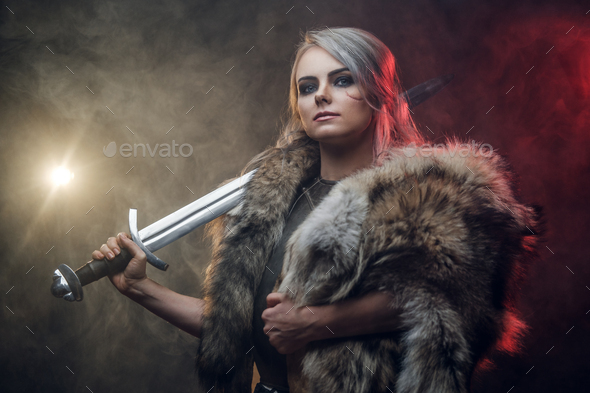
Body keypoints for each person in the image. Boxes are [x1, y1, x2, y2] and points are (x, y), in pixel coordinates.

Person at [93, 27, 544, 393]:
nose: (321, 95)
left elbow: (454, 304)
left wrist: (316, 322)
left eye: (342, 80)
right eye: (307, 87)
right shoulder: (270, 201)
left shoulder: (427, 198)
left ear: (377, 92)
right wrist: (140, 289)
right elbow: (248, 327)